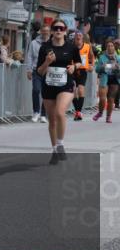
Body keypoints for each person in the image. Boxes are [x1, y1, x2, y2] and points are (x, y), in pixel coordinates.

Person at [37, 20, 80, 163]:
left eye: (61, 28)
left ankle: (60, 143)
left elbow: (79, 62)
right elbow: (40, 71)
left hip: (65, 85)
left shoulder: (71, 47)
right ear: (52, 30)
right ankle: (54, 150)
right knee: (52, 120)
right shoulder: (45, 48)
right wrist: (47, 62)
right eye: (55, 28)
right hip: (48, 86)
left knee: (60, 112)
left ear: (65, 31)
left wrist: (74, 67)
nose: (58, 30)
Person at [25, 24, 51, 123]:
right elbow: (30, 56)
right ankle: (36, 112)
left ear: (49, 32)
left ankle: (43, 114)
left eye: (47, 31)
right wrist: (29, 70)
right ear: (41, 31)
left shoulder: (52, 43)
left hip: (49, 71)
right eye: (43, 31)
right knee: (36, 90)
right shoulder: (34, 43)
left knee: (46, 92)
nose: (45, 33)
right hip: (37, 70)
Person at [93, 40, 119, 123]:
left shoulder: (118, 58)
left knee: (111, 99)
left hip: (115, 79)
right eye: (108, 46)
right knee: (102, 98)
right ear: (106, 48)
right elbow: (97, 69)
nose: (110, 47)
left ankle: (108, 116)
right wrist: (102, 67)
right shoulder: (102, 57)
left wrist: (118, 67)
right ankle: (100, 112)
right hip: (105, 78)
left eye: (112, 46)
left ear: (114, 47)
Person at [72, 31, 93, 120]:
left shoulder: (87, 46)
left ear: (82, 38)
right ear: (75, 38)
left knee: (80, 89)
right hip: (72, 69)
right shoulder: (71, 47)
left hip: (83, 70)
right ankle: (77, 111)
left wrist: (91, 65)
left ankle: (78, 112)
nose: (79, 36)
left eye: (80, 35)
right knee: (72, 90)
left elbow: (91, 56)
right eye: (77, 35)